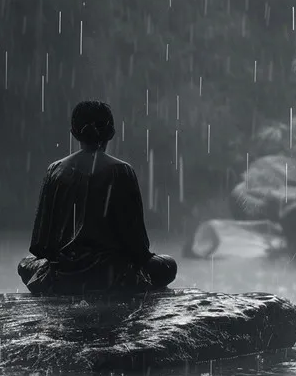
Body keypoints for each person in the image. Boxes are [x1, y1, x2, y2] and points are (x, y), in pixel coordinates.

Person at [18, 100, 177, 295]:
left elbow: (40, 246)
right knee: (168, 265)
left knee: (24, 264)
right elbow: (139, 248)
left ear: (74, 133)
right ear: (111, 133)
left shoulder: (55, 170)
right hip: (114, 277)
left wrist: (67, 262)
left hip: (63, 279)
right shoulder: (122, 171)